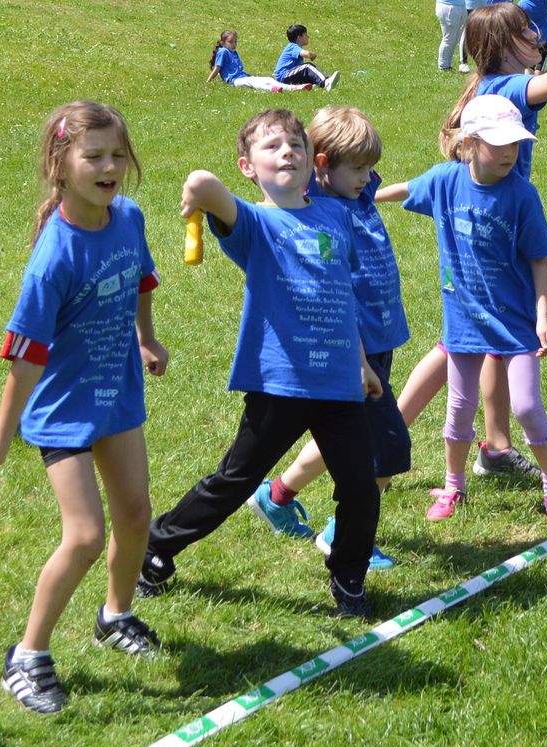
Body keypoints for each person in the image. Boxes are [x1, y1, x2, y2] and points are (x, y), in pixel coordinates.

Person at [0, 102, 168, 714]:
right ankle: (27, 657)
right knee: (84, 536)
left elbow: (141, 280)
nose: (109, 168)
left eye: (117, 155)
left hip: (116, 394)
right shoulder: (54, 256)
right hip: (64, 411)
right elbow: (26, 360)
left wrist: (146, 337)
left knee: (136, 515)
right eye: (93, 156)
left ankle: (115, 615)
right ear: (60, 163)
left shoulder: (128, 218)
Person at [140, 109, 384, 619]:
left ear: (311, 160)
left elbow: (343, 299)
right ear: (247, 167)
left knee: (361, 487)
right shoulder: (253, 223)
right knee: (234, 480)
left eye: (295, 144)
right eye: (271, 147)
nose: (287, 152)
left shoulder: (336, 217)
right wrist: (196, 192)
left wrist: (362, 364)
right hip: (280, 384)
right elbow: (204, 184)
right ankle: (157, 545)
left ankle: (349, 576)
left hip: (338, 383)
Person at [405, 0, 547, 478]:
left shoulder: (488, 86)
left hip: (493, 230)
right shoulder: (508, 89)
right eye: (526, 31)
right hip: (497, 235)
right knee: (457, 346)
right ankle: (387, 437)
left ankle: (496, 446)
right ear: (503, 46)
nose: (537, 36)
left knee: (488, 345)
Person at [383, 95, 547, 533]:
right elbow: (407, 189)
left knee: (527, 406)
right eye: (498, 144)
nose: (510, 152)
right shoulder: (445, 181)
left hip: (515, 323)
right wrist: (359, 198)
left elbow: (540, 259)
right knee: (458, 408)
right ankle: (454, 485)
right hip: (464, 321)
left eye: (515, 143)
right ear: (469, 143)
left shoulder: (522, 195)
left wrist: (543, 315)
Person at [249, 107, 409, 570]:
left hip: (379, 340)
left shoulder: (360, 191)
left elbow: (357, 167)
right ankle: (344, 533)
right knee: (388, 447)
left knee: (342, 434)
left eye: (370, 167)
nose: (368, 177)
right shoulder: (318, 205)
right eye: (357, 168)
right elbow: (285, 183)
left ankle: (277, 496)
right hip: (351, 348)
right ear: (320, 165)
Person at [208, 28, 311, 92]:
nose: (234, 44)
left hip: (244, 77)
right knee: (254, 82)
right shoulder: (223, 51)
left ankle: (293, 88)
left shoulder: (233, 52)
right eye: (231, 42)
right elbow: (217, 68)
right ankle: (272, 89)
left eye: (235, 41)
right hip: (235, 80)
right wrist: (208, 81)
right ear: (223, 43)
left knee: (268, 79)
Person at [274, 24, 338, 91]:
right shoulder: (292, 46)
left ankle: (318, 85)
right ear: (299, 37)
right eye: (305, 35)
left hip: (288, 76)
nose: (308, 37)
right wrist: (311, 55)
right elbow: (306, 54)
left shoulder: (294, 47)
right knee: (307, 67)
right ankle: (326, 82)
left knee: (308, 74)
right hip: (284, 76)